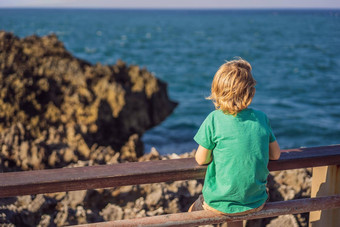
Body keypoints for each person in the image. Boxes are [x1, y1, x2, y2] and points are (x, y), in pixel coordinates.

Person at [188, 59, 281, 227]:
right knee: (236, 214)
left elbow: (201, 159)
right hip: (255, 201)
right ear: (251, 92)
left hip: (218, 202)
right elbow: (276, 154)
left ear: (217, 91)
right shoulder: (261, 118)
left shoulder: (214, 119)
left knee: (190, 213)